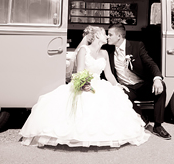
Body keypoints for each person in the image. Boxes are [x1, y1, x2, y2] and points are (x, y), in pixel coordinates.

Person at [19, 25, 151, 148]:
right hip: (84, 82)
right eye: (105, 34)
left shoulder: (104, 53)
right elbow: (80, 71)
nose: (107, 36)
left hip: (100, 83)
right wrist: (84, 84)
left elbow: (109, 74)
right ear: (97, 36)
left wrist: (117, 85)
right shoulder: (84, 50)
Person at [105, 22, 171, 140]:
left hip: (141, 85)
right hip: (126, 87)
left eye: (110, 35)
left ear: (119, 36)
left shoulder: (137, 46)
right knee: (117, 94)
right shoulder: (107, 51)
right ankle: (142, 116)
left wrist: (157, 78)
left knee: (162, 86)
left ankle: (158, 125)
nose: (107, 37)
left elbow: (150, 63)